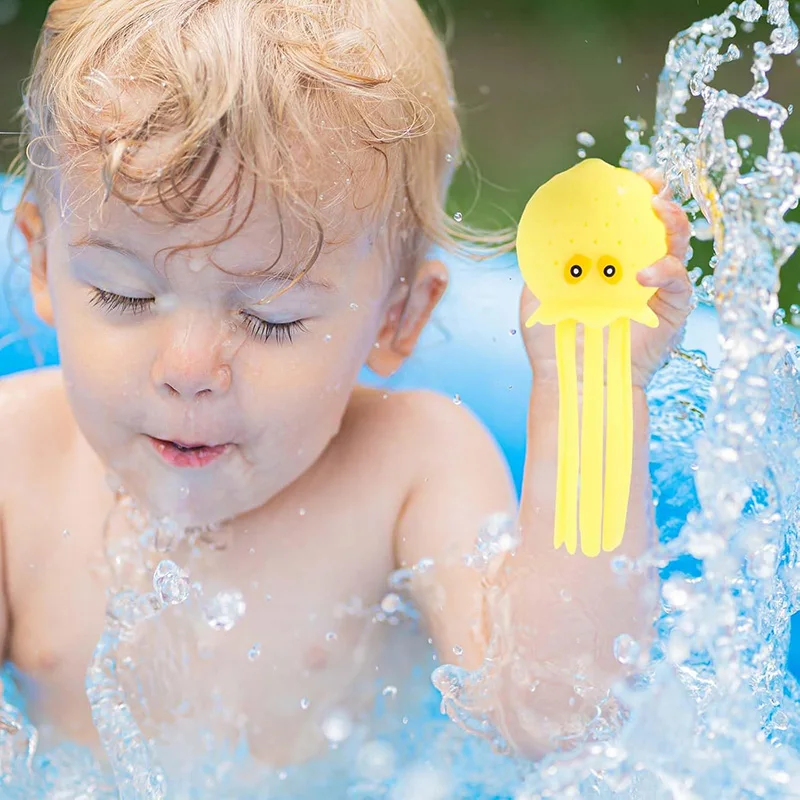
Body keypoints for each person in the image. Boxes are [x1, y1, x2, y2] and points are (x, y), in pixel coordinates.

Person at [0, 0, 692, 780]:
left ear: (398, 318)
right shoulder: (14, 461)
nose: (188, 369)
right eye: (125, 296)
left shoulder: (411, 470)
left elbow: (556, 714)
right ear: (40, 264)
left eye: (272, 318)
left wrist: (588, 386)